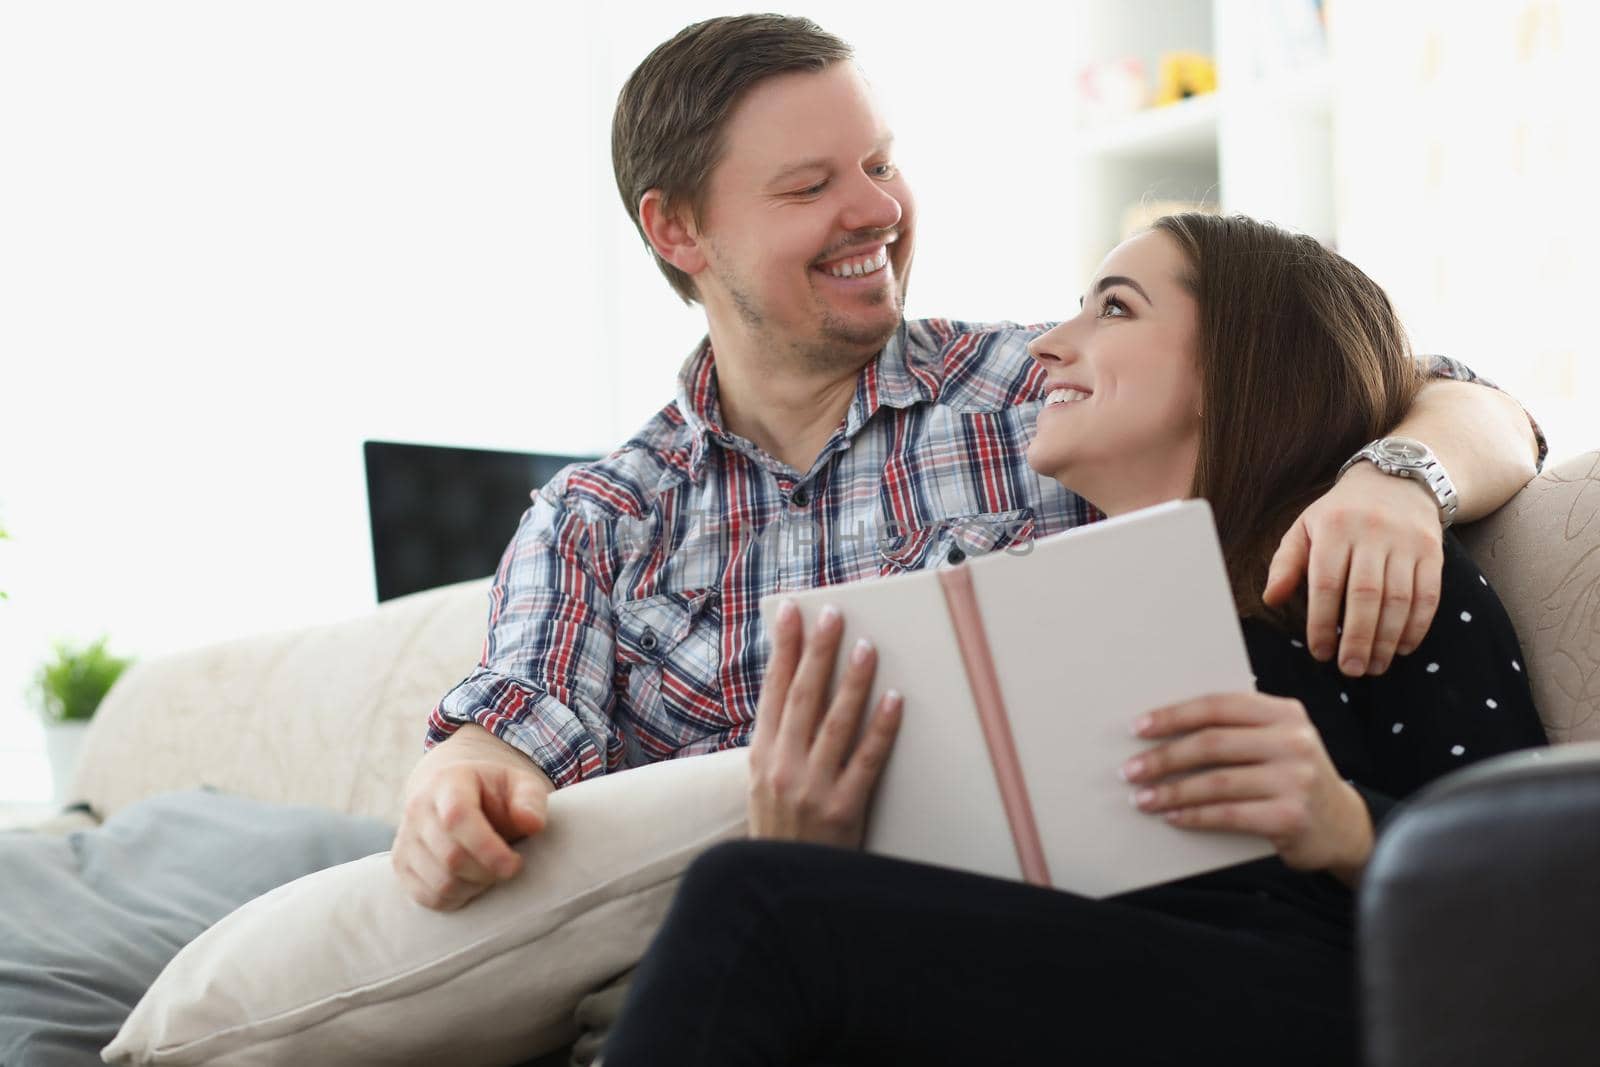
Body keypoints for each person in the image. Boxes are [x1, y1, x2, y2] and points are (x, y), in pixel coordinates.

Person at [390, 14, 1542, 912]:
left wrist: (1396, 475)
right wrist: (456, 784)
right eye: (809, 186)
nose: (876, 209)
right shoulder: (594, 518)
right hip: (731, 951)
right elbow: (513, 723)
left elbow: (1390, 379)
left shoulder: (1050, 391)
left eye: (880, 162)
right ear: (677, 231)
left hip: (1032, 936)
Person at [597, 213, 1551, 1065]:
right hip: (1089, 992)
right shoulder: (1064, 596)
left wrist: (1345, 824)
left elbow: (1547, 897)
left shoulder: (1372, 565)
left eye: (1116, 310)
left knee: (753, 901)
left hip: (1312, 993)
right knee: (774, 899)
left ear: (1247, 362)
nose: (1050, 345)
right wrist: (827, 856)